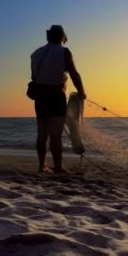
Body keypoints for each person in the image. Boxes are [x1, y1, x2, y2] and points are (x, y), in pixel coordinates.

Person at [30, 25, 86, 173]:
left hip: (40, 97)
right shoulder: (64, 51)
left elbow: (34, 76)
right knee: (55, 135)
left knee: (42, 134)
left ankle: (42, 165)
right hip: (56, 96)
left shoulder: (36, 53)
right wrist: (82, 92)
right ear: (61, 37)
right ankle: (58, 167)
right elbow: (74, 73)